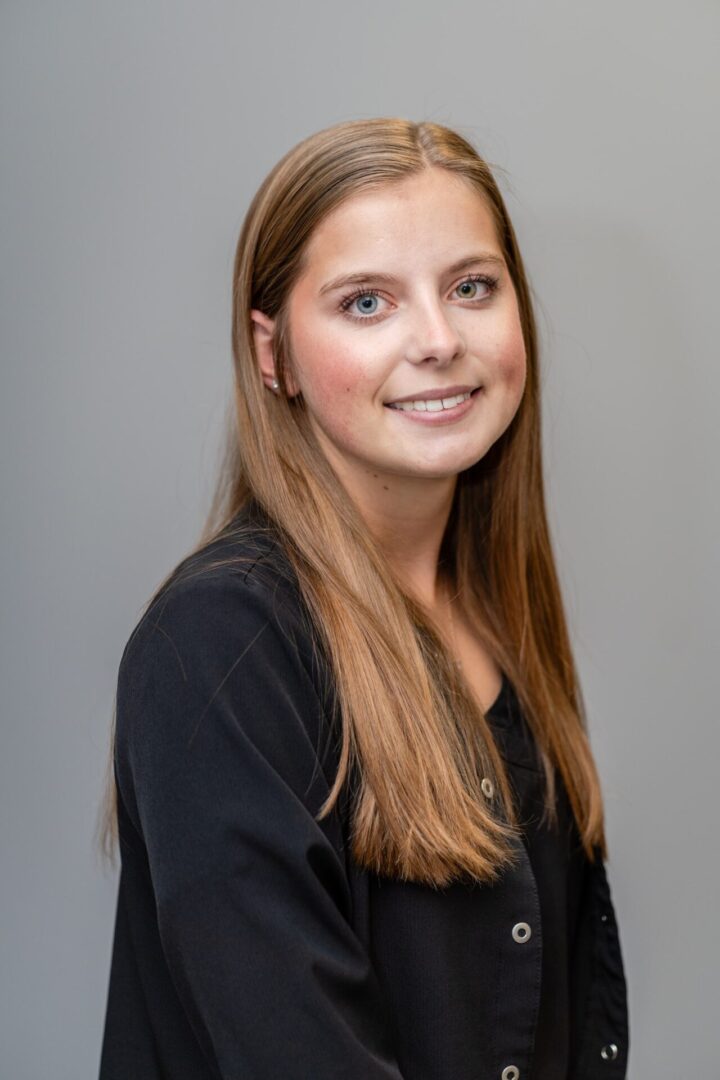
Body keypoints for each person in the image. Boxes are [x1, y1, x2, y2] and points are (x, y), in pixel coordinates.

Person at [97, 117, 629, 1079]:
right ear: (274, 355)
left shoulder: (500, 615)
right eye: (367, 302)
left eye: (472, 287)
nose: (437, 340)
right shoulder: (222, 646)